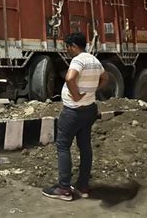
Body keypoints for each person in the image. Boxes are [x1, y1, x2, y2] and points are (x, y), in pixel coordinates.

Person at [42, 32, 108, 201]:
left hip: (73, 111)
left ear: (73, 46)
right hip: (89, 110)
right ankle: (83, 186)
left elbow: (70, 78)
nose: (67, 51)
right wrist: (93, 91)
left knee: (63, 146)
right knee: (85, 146)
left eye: (68, 47)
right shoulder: (94, 60)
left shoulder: (78, 60)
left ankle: (64, 189)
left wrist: (76, 95)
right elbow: (106, 78)